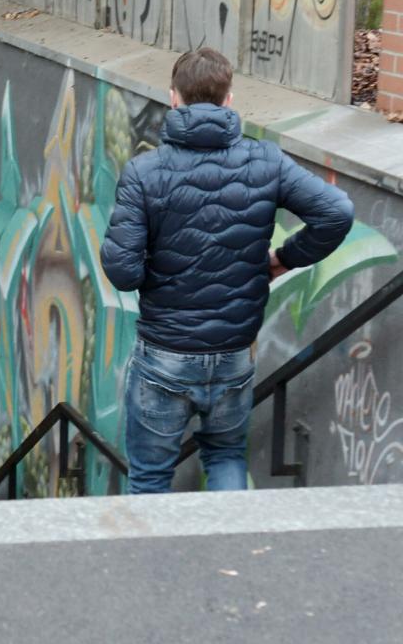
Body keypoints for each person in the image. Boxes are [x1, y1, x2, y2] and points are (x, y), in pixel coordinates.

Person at [101, 48, 353, 494]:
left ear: (173, 98)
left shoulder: (144, 173)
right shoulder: (266, 161)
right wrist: (283, 259)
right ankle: (233, 558)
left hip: (164, 355)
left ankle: (148, 565)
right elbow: (336, 211)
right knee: (225, 456)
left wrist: (156, 271)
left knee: (149, 476)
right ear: (229, 99)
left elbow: (122, 272)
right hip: (235, 352)